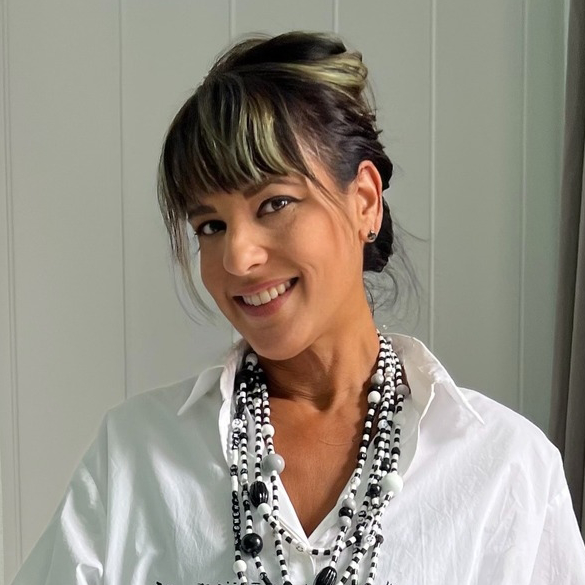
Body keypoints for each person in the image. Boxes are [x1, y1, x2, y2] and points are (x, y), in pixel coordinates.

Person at [10, 31, 585, 585]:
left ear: (364, 202)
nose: (237, 257)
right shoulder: (135, 456)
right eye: (210, 225)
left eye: (274, 203)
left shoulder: (506, 468)